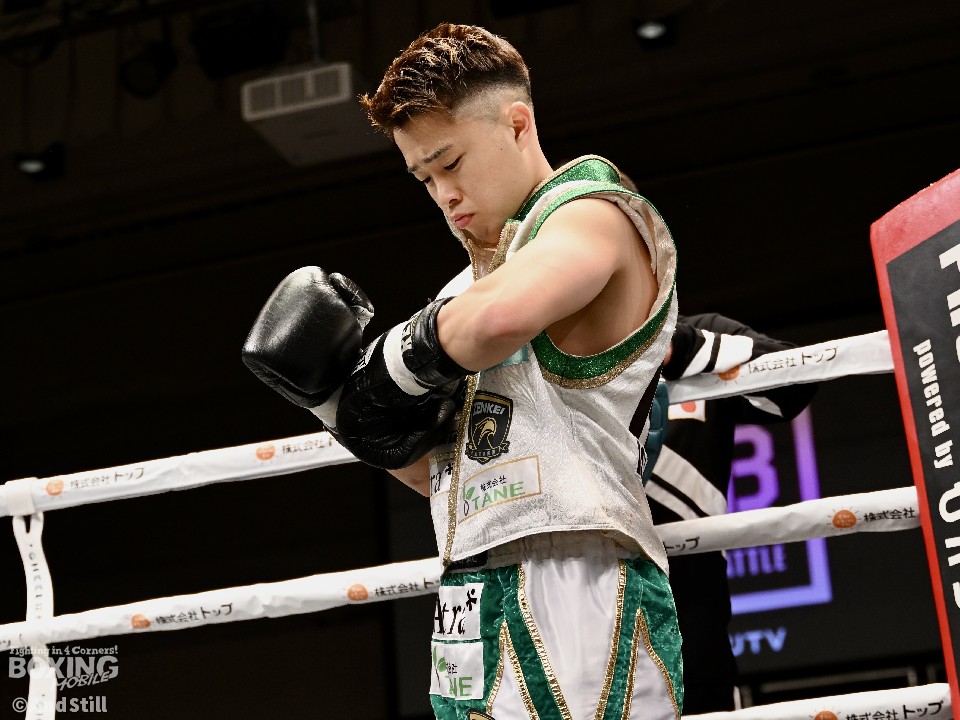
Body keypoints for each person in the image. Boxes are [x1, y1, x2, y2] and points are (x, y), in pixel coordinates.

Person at [243, 24, 681, 720]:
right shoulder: (464, 292)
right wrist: (334, 404)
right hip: (468, 593)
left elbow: (495, 322)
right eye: (425, 178)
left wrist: (385, 367)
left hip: (576, 570)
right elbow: (438, 473)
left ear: (517, 124)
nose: (444, 194)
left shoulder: (592, 213)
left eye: (450, 162)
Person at [645, 313, 817, 714]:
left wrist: (676, 346)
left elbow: (799, 381)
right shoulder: (539, 352)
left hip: (689, 608)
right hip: (577, 591)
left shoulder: (692, 331)